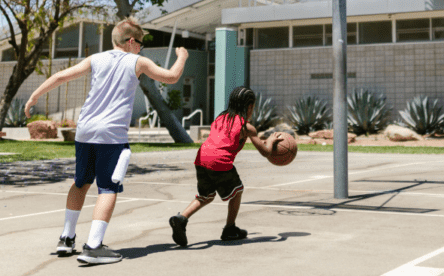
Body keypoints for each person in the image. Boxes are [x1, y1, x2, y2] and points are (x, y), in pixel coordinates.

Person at [25, 17, 188, 265]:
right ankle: (93, 246)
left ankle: (67, 239)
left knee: (81, 183)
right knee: (108, 187)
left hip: (85, 132)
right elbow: (172, 77)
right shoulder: (138, 61)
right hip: (111, 135)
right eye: (140, 43)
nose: (141, 48)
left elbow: (60, 76)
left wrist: (34, 96)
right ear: (131, 41)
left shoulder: (96, 59)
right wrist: (182, 56)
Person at [168, 86, 283, 248]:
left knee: (206, 195)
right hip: (219, 161)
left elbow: (225, 139)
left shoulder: (220, 119)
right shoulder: (247, 127)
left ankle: (181, 218)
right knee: (237, 190)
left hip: (201, 158)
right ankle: (229, 228)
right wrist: (271, 140)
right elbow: (266, 152)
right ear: (249, 107)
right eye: (253, 107)